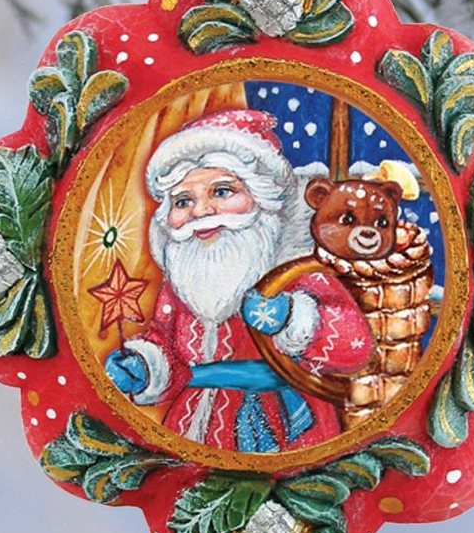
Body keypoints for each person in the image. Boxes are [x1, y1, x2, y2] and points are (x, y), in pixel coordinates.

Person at [104, 109, 372, 451]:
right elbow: (166, 343)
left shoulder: (293, 272)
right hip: (191, 427)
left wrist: (294, 318)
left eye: (221, 192)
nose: (200, 212)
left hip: (285, 429)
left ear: (260, 198)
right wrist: (145, 364)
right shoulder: (184, 282)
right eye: (184, 201)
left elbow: (354, 346)